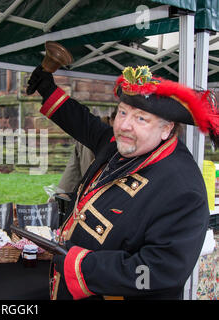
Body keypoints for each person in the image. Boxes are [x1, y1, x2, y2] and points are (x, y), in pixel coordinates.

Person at [27, 65, 217, 300]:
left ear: (166, 129)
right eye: (123, 112)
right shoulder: (122, 143)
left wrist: (82, 265)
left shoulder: (184, 189)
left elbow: (158, 273)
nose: (125, 125)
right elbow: (84, 124)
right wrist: (48, 90)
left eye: (140, 118)